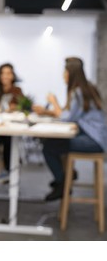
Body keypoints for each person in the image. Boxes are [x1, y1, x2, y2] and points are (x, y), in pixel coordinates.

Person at [33, 57, 107, 201]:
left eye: (64, 71)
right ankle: (67, 175)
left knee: (49, 147)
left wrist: (53, 102)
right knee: (55, 144)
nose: (63, 75)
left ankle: (62, 183)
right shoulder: (86, 89)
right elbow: (70, 114)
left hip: (94, 142)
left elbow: (67, 118)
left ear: (70, 73)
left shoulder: (78, 92)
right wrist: (48, 111)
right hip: (96, 138)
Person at [0, 63, 24, 171]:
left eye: (8, 73)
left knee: (10, 140)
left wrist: (13, 108)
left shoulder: (17, 90)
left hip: (12, 126)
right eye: (3, 73)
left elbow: (23, 107)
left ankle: (9, 169)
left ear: (12, 75)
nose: (5, 76)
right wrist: (3, 108)